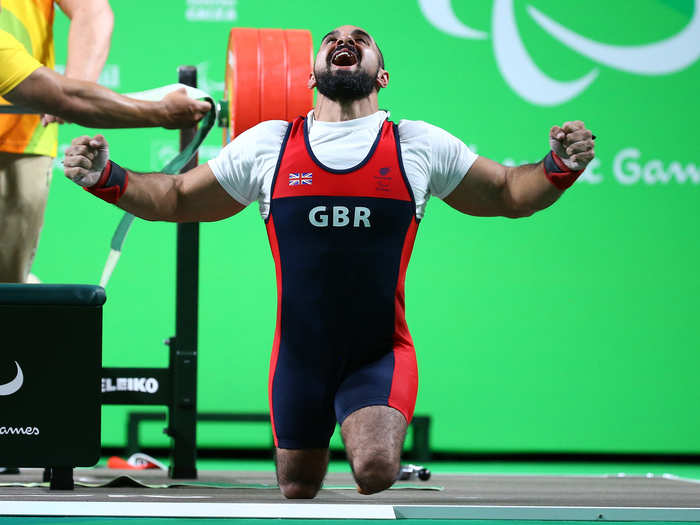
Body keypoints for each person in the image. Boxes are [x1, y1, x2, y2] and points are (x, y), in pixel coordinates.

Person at [63, 25, 595, 498]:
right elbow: (178, 197)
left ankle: (371, 423)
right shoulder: (272, 144)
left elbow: (505, 192)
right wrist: (107, 178)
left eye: (360, 40)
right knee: (297, 487)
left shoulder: (416, 144)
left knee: (375, 470)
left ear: (381, 76)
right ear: (313, 76)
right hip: (299, 359)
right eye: (332, 41)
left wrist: (558, 166)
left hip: (379, 353)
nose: (345, 42)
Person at [0, 0, 211, 283]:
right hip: (33, 111)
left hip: (20, 139)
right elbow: (69, 99)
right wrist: (162, 112)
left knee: (7, 286)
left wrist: (73, 85)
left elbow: (91, 11)